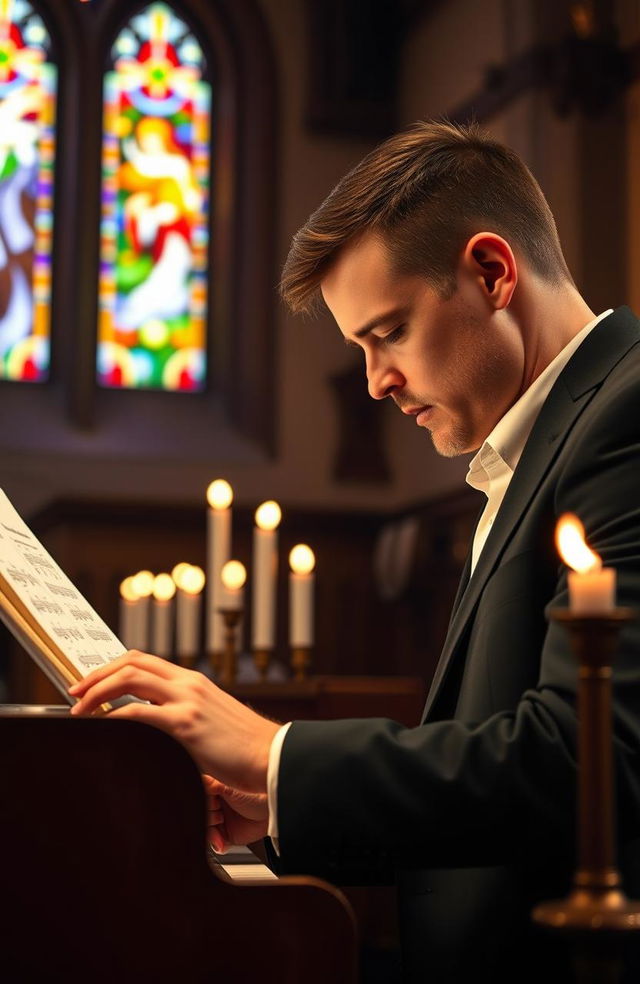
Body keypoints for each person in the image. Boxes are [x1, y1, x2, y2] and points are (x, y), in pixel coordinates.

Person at [69, 121, 640, 982]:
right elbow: (499, 786)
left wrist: (274, 751)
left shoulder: (623, 422)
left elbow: (585, 766)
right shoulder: (533, 450)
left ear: (492, 272)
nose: (375, 381)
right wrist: (283, 803)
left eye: (390, 332)